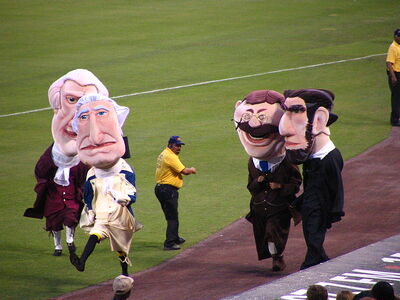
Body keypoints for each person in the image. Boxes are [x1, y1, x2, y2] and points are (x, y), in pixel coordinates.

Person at [24, 69, 109, 256]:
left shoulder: (86, 165)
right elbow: (41, 171)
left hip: (70, 198)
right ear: (56, 106)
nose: (75, 120)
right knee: (54, 221)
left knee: (71, 218)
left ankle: (70, 241)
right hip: (55, 197)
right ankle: (57, 245)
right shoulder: (50, 160)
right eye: (71, 100)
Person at [233, 90, 302, 271]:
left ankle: (277, 259)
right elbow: (250, 186)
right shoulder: (252, 162)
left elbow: (296, 183)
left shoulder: (286, 160)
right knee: (263, 234)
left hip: (278, 207)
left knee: (273, 233)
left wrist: (279, 186)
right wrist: (259, 182)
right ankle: (274, 256)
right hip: (259, 208)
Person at [69, 94, 138, 276]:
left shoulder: (123, 169)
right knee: (96, 234)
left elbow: (132, 194)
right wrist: (90, 211)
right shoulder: (92, 174)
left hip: (119, 214)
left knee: (121, 248)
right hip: (101, 213)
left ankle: (125, 272)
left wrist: (122, 198)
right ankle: (82, 261)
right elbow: (88, 196)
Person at [279, 88, 344, 270]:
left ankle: (310, 264)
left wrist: (334, 210)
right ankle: (320, 256)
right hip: (311, 203)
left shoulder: (330, 158)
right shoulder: (313, 157)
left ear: (319, 120)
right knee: (310, 232)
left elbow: (336, 188)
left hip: (320, 206)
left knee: (314, 232)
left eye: (297, 112)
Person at [154, 136, 196, 250]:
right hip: (167, 190)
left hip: (161, 188)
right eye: (177, 145)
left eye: (180, 145)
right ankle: (169, 243)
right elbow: (185, 171)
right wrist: (192, 169)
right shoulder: (170, 156)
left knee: (172, 215)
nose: (179, 148)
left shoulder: (164, 153)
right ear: (170, 145)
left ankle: (175, 237)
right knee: (172, 217)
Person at [386, 29, 400, 126]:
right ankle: (394, 120)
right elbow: (388, 63)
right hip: (396, 74)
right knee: (396, 97)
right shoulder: (393, 47)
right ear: (395, 37)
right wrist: (393, 76)